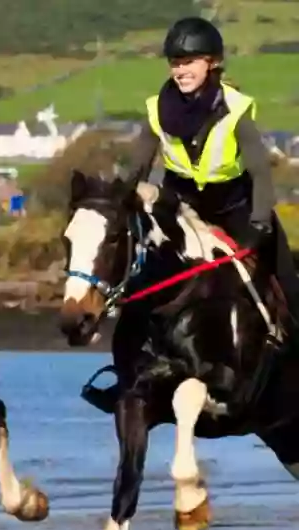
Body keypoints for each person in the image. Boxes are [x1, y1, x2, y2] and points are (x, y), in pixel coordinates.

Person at [125, 16, 299, 333]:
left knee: (288, 281)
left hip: (233, 207)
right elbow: (137, 168)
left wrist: (260, 221)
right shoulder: (155, 109)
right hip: (181, 210)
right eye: (175, 63)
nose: (180, 71)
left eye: (189, 61)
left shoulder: (237, 108)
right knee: (142, 280)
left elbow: (260, 172)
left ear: (213, 63)